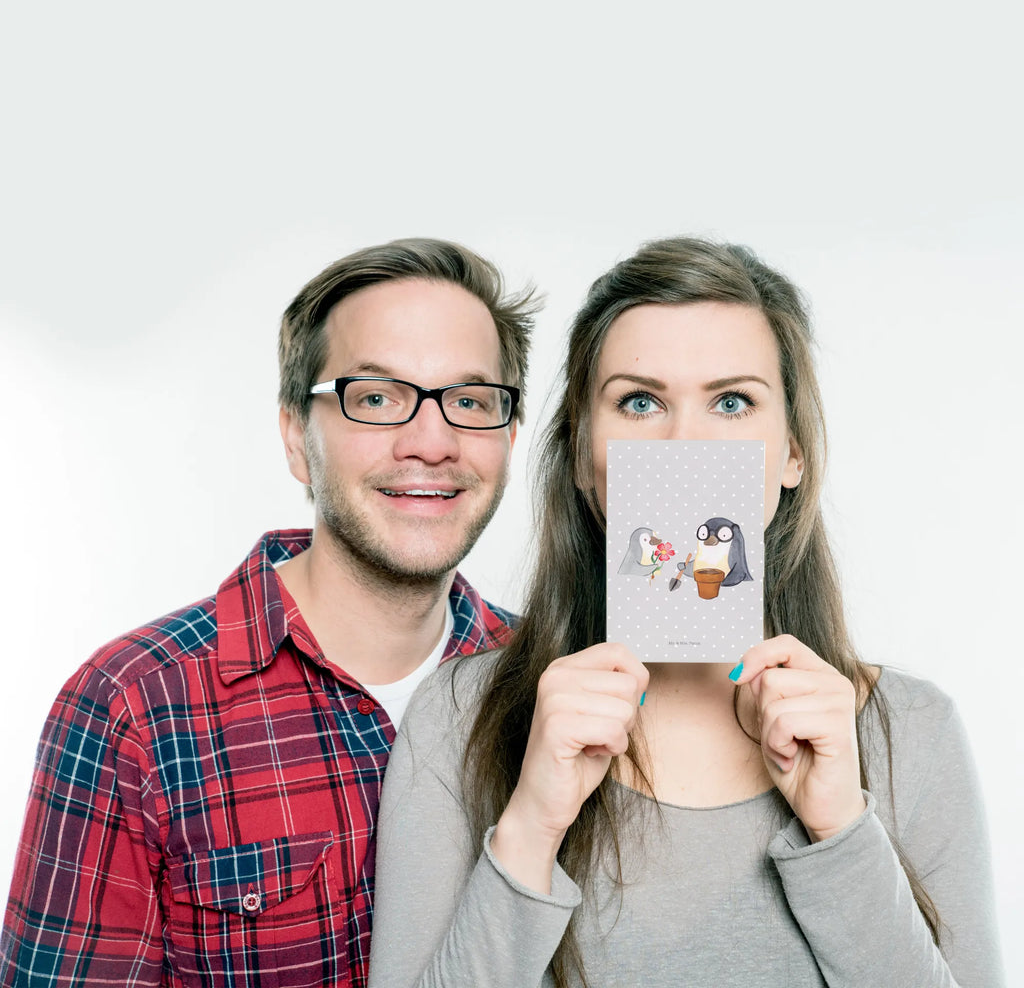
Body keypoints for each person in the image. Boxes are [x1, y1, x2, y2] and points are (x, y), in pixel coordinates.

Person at [367, 237, 1005, 987]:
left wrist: (840, 828)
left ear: (792, 453)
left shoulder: (912, 733)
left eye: (732, 402)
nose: (685, 443)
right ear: (583, 455)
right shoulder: (459, 717)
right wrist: (531, 824)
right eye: (640, 402)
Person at [0, 238, 538, 988]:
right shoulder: (131, 708)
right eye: (376, 398)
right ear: (295, 438)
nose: (432, 442)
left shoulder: (546, 679)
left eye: (470, 402)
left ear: (508, 436)